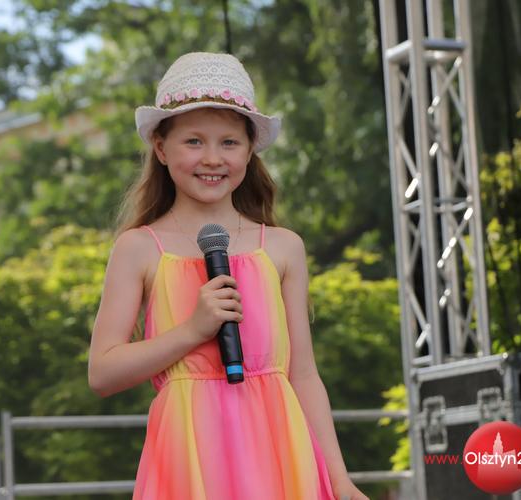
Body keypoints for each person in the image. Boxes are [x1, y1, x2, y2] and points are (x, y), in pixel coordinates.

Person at [88, 52, 368, 500]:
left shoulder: (282, 247)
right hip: (191, 460)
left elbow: (303, 374)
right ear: (161, 148)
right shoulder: (139, 248)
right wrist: (192, 331)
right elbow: (102, 373)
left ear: (250, 149)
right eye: (193, 141)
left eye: (229, 143)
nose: (212, 158)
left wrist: (339, 479)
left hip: (279, 456)